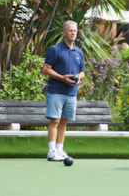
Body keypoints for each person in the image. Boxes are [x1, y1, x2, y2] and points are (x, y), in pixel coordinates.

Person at [43, 20, 85, 161]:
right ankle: (51, 151)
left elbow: (82, 71)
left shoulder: (78, 51)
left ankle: (60, 150)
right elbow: (46, 69)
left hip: (71, 93)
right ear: (64, 32)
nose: (73, 33)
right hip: (56, 91)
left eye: (75, 30)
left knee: (64, 121)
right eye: (70, 30)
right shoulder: (55, 49)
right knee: (55, 120)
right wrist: (62, 78)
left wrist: (78, 77)